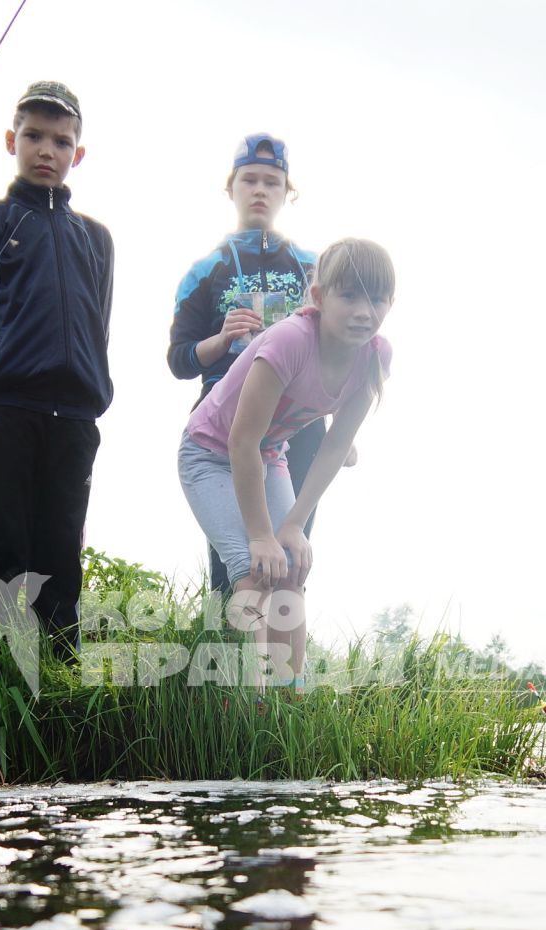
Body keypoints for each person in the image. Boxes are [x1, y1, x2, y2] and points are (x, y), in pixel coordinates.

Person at [176, 238, 394, 683]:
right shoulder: (290, 341)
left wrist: (293, 525)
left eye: (377, 298)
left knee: (291, 570)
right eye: (349, 295)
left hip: (270, 456)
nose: (363, 311)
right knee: (257, 574)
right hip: (210, 453)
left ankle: (292, 699)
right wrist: (261, 536)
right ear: (318, 297)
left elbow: (333, 447)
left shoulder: (374, 356)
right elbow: (241, 441)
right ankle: (250, 704)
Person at [0, 81, 114, 661]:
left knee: (61, 543)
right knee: (4, 540)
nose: (47, 150)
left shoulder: (96, 237)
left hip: (76, 414)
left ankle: (60, 663)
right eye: (34, 136)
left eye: (62, 141)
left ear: (78, 153)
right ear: (11, 140)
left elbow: (100, 318)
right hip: (13, 406)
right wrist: (9, 362)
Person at [168, 134, 339, 594]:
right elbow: (179, 359)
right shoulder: (205, 271)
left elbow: (342, 343)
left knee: (290, 555)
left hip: (296, 425)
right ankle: (227, 655)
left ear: (288, 191)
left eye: (272, 181)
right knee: (236, 559)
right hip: (225, 414)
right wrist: (221, 338)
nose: (260, 190)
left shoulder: (314, 268)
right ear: (232, 188)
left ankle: (284, 663)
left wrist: (342, 423)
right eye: (250, 180)